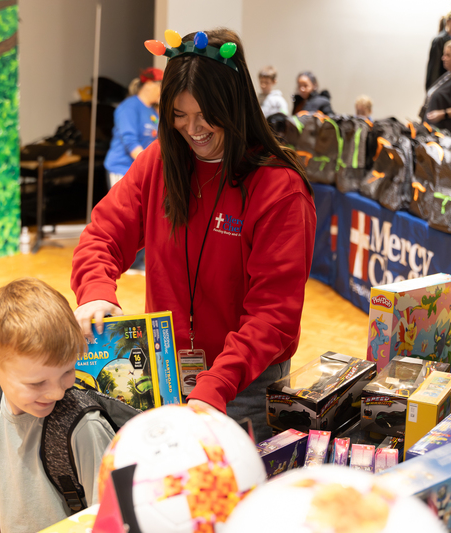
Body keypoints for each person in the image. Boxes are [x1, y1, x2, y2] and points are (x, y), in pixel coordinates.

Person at [72, 28, 315, 442]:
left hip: (243, 384)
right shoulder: (160, 162)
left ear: (234, 104)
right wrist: (95, 289)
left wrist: (217, 384)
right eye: (179, 115)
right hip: (162, 373)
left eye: (205, 115)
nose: (193, 129)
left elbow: (273, 314)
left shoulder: (280, 189)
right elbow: (104, 233)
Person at [0, 278, 114, 533]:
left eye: (68, 371)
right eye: (37, 383)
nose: (57, 392)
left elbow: (108, 516)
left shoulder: (85, 428)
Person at [104, 67, 163, 274]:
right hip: (122, 169)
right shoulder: (128, 108)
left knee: (145, 216)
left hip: (141, 170)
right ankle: (124, 262)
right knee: (125, 217)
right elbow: (130, 142)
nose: (162, 90)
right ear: (150, 84)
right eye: (161, 85)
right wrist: (151, 166)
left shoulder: (152, 111)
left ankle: (136, 261)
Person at [425, 3, 451, 90]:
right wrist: (432, 91)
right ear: (448, 20)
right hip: (444, 87)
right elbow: (434, 69)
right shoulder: (439, 40)